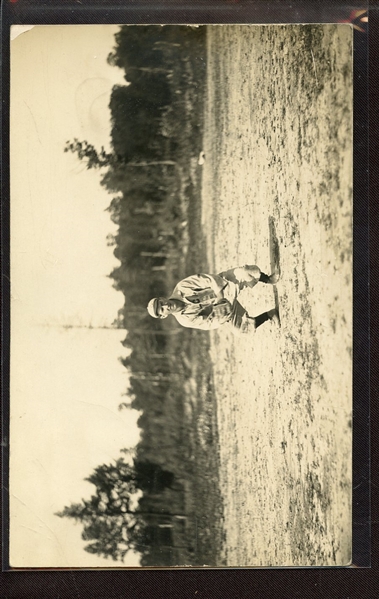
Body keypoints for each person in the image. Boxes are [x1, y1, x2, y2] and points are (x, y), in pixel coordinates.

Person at [146, 265, 280, 334]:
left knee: (245, 271)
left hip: (224, 285)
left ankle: (268, 279)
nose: (165, 306)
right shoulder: (184, 319)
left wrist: (220, 297)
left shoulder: (182, 287)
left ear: (163, 298)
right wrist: (221, 317)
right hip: (223, 308)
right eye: (161, 310)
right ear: (163, 316)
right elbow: (207, 323)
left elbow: (209, 279)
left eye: (161, 303)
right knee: (241, 330)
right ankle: (270, 315)